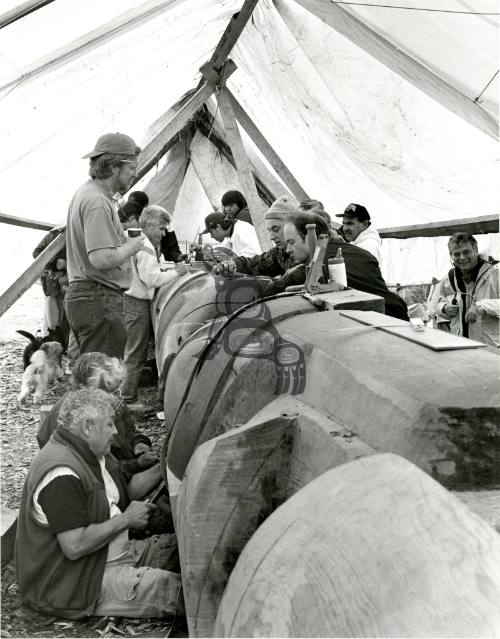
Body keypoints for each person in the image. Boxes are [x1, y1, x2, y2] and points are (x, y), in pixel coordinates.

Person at [16, 389, 182, 620]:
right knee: (185, 592)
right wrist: (126, 519)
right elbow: (74, 546)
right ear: (87, 427)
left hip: (107, 554)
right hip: (75, 583)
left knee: (183, 549)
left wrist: (164, 464)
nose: (115, 432)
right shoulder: (61, 473)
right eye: (110, 425)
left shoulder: (87, 453)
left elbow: (122, 496)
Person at [64, 133, 145, 359]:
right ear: (112, 166)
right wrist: (132, 245)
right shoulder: (97, 201)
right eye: (131, 168)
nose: (135, 174)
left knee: (90, 379)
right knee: (101, 382)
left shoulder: (88, 193)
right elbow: (101, 258)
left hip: (87, 296)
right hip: (98, 298)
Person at [262, 212, 409, 320]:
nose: (287, 250)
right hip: (398, 314)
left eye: (291, 242)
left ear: (309, 237)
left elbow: (280, 289)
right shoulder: (358, 252)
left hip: (380, 320)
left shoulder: (317, 260)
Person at [37, 353, 159, 481]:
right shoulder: (79, 419)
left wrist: (139, 443)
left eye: (117, 389)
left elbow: (129, 431)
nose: (116, 396)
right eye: (110, 389)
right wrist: (137, 464)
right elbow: (101, 474)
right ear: (91, 385)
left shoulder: (105, 402)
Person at [122, 205, 188, 404]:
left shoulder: (132, 238)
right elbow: (151, 278)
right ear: (149, 224)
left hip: (126, 299)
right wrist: (178, 272)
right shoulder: (146, 247)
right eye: (161, 228)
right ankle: (127, 398)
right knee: (136, 351)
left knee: (129, 350)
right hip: (136, 303)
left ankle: (124, 394)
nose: (163, 233)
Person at [430, 232, 499, 350]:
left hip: (490, 347)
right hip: (459, 345)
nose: (462, 258)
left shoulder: (495, 273)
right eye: (456, 254)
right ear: (451, 255)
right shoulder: (448, 278)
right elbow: (433, 307)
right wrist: (444, 308)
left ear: (475, 249)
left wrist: (481, 306)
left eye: (466, 252)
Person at [212, 195, 301, 277]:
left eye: (276, 229)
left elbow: (288, 281)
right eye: (269, 231)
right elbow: (257, 263)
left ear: (294, 226)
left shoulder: (306, 255)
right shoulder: (279, 253)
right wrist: (235, 264)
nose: (271, 237)